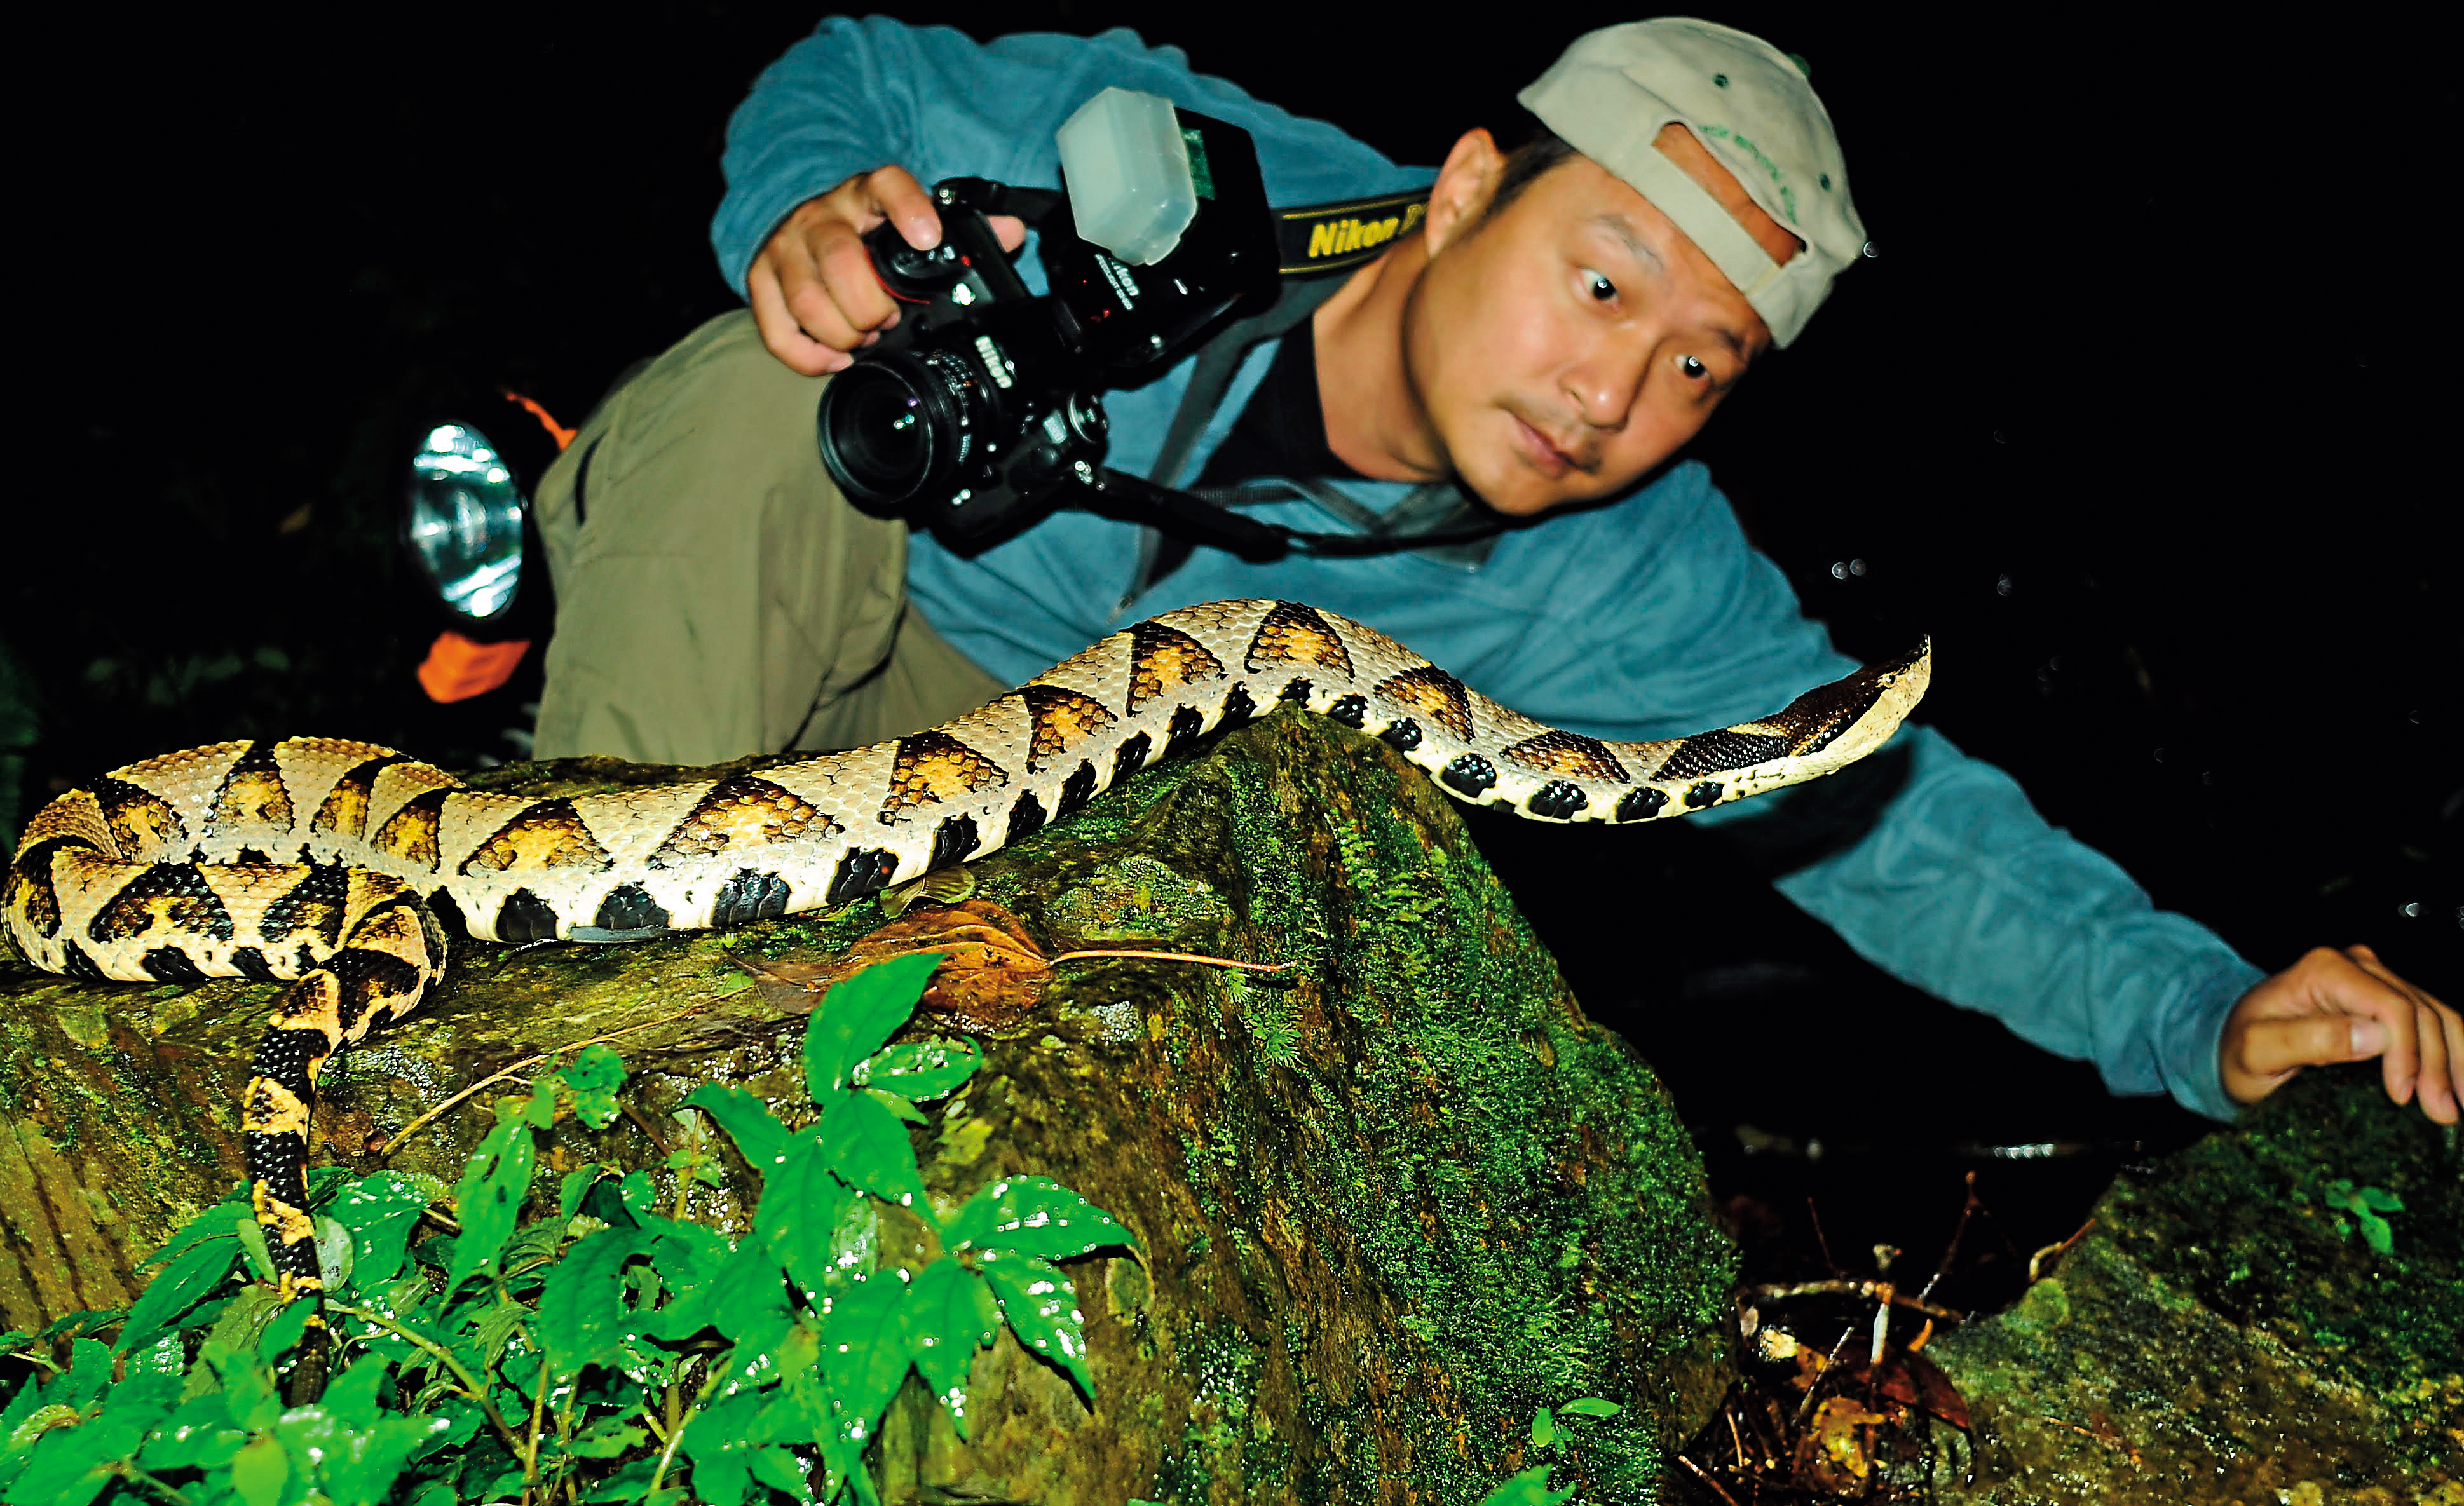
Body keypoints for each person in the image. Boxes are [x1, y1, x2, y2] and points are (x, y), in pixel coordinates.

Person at [526, 15, 2460, 1128]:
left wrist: (2202, 1010)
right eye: (1602, 280)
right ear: (1465, 193)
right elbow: (853, 65)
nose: (1616, 387)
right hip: (812, 599)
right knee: (768, 394)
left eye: (1700, 363)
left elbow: (1891, 828)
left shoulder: (1632, 580)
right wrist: (800, 202)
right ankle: (544, 999)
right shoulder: (1182, 166)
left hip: (1028, 814)